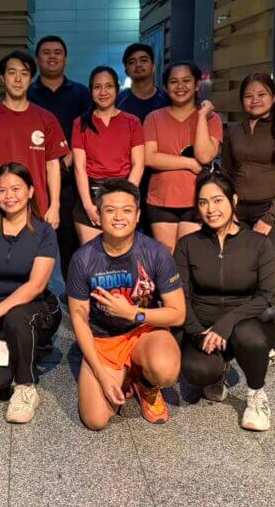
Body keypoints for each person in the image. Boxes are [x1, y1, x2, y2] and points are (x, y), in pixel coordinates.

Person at [66, 179, 186, 429]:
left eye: (127, 210)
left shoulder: (156, 253)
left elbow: (177, 314)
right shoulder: (82, 259)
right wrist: (101, 374)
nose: (119, 217)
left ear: (138, 215)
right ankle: (122, 373)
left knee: (166, 370)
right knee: (95, 420)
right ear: (98, 215)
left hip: (143, 333)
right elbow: (79, 318)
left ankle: (146, 382)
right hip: (103, 340)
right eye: (110, 210)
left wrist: (133, 313)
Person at [174, 172, 275, 432]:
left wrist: (227, 322)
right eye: (203, 202)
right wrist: (197, 332)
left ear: (233, 200)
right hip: (204, 325)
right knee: (197, 371)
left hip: (246, 321)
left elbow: (268, 295)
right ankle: (217, 370)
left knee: (250, 338)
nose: (210, 209)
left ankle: (256, 394)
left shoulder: (258, 243)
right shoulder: (188, 245)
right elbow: (180, 295)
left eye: (217, 200)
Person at [0, 163, 61, 424]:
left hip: (36, 309)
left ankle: (26, 386)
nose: (9, 196)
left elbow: (36, 285)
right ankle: (26, 346)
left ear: (30, 191)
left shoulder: (44, 232)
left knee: (17, 317)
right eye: (2, 190)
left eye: (16, 189)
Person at [221, 72, 275, 366]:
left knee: (263, 276)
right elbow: (226, 172)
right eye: (249, 95)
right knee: (238, 274)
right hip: (237, 211)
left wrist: (270, 216)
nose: (255, 100)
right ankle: (239, 336)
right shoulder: (234, 131)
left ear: (273, 97)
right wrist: (227, 209)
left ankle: (273, 344)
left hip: (269, 211)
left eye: (261, 94)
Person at [0, 51, 68, 226]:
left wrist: (55, 206)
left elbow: (53, 164)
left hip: (37, 211)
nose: (18, 79)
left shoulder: (46, 119)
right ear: (2, 78)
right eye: (12, 73)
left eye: (24, 74)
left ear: (31, 79)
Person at [27, 35, 91, 279]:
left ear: (65, 58)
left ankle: (72, 292)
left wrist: (68, 159)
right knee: (31, 242)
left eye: (57, 52)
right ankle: (34, 293)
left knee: (70, 243)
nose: (52, 56)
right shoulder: (28, 93)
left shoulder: (81, 93)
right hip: (34, 179)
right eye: (46, 52)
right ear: (37, 59)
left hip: (70, 180)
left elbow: (88, 132)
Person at [143, 62, 222, 253]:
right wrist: (189, 163)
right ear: (165, 87)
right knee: (167, 258)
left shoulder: (212, 119)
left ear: (197, 85)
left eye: (186, 80)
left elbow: (204, 155)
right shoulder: (153, 118)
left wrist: (201, 116)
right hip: (161, 200)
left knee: (190, 256)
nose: (180, 86)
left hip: (197, 199)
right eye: (173, 82)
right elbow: (149, 158)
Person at [71, 67, 145, 245]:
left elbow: (138, 164)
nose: (103, 92)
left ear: (117, 90)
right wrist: (88, 206)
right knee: (92, 255)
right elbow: (79, 168)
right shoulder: (80, 123)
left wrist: (126, 197)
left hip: (124, 190)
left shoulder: (133, 122)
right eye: (97, 87)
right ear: (91, 91)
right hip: (91, 194)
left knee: (122, 252)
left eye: (109, 86)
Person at [116, 43, 170, 123]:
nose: (138, 65)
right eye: (132, 62)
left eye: (144, 60)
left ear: (153, 67)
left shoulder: (167, 100)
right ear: (126, 71)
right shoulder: (118, 102)